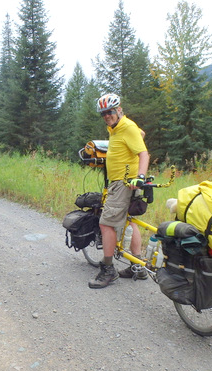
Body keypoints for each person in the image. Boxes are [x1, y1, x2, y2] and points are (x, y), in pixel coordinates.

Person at [89, 93, 150, 289]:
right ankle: (137, 266)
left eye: (110, 111)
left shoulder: (127, 126)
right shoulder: (117, 128)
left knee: (106, 224)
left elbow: (144, 154)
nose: (107, 115)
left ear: (119, 110)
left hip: (124, 184)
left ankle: (108, 270)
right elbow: (140, 135)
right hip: (123, 182)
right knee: (130, 222)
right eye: (104, 113)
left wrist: (140, 177)